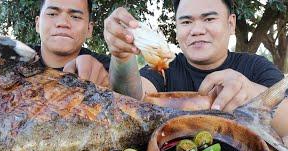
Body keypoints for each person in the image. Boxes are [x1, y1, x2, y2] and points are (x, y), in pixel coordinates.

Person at [104, 0, 284, 113]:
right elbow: (129, 98)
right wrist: (121, 56)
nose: (197, 30)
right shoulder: (165, 68)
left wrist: (250, 91)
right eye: (186, 22)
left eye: (209, 19)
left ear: (230, 24)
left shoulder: (256, 67)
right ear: (176, 29)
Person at [0, 0, 110, 87]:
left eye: (75, 16)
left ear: (89, 29)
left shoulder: (107, 68)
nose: (62, 23)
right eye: (52, 14)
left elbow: (129, 93)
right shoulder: (2, 61)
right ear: (37, 23)